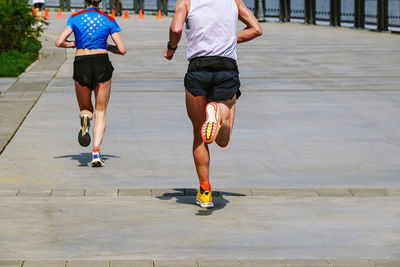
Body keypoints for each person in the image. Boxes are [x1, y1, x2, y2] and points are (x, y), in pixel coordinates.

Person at [164, 0, 262, 208]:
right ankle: (217, 114)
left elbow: (175, 28)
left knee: (199, 135)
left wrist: (172, 47)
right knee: (223, 140)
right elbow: (256, 29)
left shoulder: (186, 1)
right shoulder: (233, 1)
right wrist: (228, 40)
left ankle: (205, 192)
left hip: (197, 70)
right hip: (226, 69)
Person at [55, 0, 126, 167]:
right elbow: (122, 49)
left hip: (81, 62)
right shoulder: (108, 19)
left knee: (86, 108)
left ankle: (85, 118)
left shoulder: (75, 17)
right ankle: (95, 152)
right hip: (101, 61)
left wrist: (75, 44)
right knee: (101, 111)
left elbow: (59, 42)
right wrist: (106, 46)